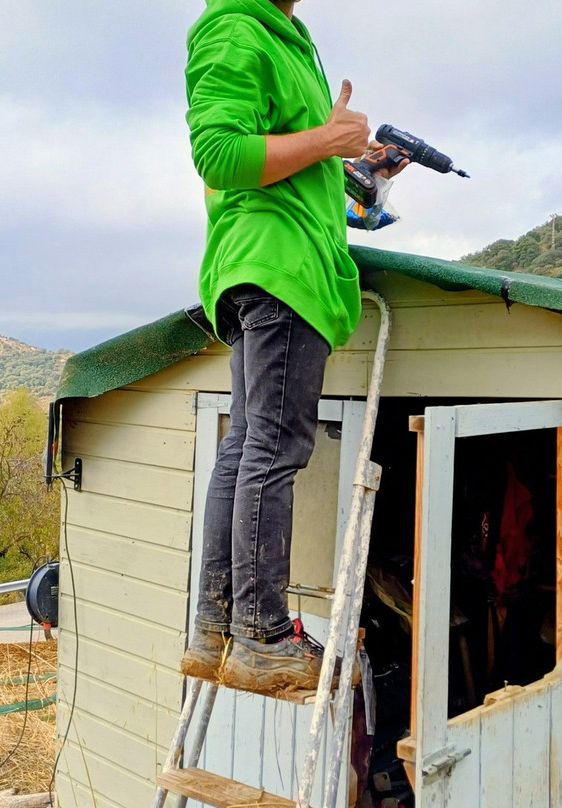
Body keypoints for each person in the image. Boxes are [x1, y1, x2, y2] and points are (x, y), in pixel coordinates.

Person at [180, 0, 393, 693]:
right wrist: (329, 141)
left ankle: (217, 629)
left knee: (246, 446)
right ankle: (263, 638)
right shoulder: (233, 28)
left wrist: (358, 171)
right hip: (279, 271)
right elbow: (219, 156)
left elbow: (293, 172)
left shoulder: (285, 38)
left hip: (273, 265)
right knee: (271, 449)